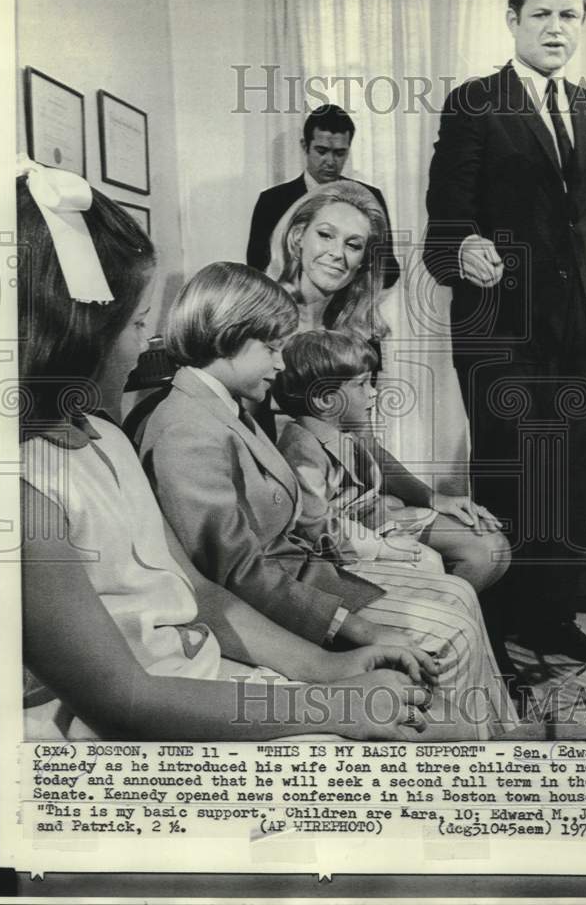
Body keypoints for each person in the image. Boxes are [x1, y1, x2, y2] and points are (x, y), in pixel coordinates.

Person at [17, 160, 440, 742]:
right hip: (132, 726)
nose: (148, 347)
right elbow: (125, 702)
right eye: (140, 324)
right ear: (76, 334)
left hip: (199, 672)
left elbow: (198, 591)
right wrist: (326, 705)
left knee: (418, 716)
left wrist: (329, 668)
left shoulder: (104, 438)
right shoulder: (21, 491)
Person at [139, 262, 518, 737]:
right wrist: (350, 625)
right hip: (279, 601)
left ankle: (494, 739)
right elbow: (235, 573)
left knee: (460, 592)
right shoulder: (188, 428)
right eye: (271, 349)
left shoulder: (224, 407)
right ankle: (466, 752)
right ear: (228, 335)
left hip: (305, 576)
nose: (280, 365)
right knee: (450, 632)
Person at [423, 0, 586, 661]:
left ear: (581, 22)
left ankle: (551, 620)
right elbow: (444, 222)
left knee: (570, 475)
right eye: (540, 14)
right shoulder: (474, 105)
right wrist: (466, 249)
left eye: (568, 14)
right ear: (513, 20)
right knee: (513, 473)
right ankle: (501, 622)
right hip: (503, 333)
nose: (555, 27)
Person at [267, 180, 511, 596]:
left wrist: (432, 497)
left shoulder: (350, 329)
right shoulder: (264, 317)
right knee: (451, 560)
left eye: (354, 244)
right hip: (301, 513)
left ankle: (426, 629)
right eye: (325, 235)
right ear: (297, 238)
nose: (337, 254)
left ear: (364, 258)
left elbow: (362, 441)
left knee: (490, 550)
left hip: (359, 500)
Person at [274, 329, 509, 594]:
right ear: (326, 400)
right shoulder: (301, 449)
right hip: (350, 538)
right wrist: (381, 546)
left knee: (492, 549)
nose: (374, 393)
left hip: (375, 515)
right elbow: (314, 527)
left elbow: (375, 455)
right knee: (432, 563)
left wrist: (433, 497)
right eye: (362, 385)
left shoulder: (344, 423)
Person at [247, 104, 399, 288]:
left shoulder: (369, 197)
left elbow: (389, 271)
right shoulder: (272, 201)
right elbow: (256, 271)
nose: (330, 161)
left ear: (348, 150)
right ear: (305, 146)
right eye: (321, 151)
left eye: (339, 153)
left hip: (349, 309)